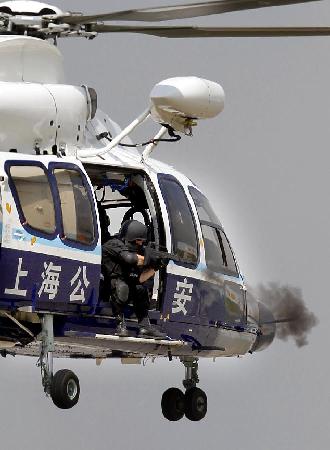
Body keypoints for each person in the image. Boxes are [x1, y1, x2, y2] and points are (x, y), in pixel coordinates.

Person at [102, 219, 166, 339]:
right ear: (129, 238)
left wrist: (157, 266)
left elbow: (140, 279)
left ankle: (145, 327)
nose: (141, 244)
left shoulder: (136, 251)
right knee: (122, 288)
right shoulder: (113, 244)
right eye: (138, 241)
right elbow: (129, 258)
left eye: (142, 241)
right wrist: (151, 259)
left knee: (140, 289)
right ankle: (120, 324)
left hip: (125, 285)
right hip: (107, 286)